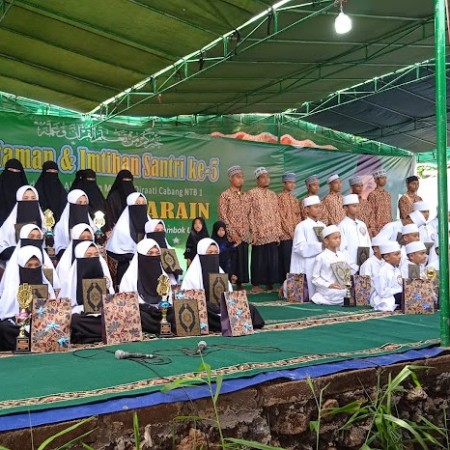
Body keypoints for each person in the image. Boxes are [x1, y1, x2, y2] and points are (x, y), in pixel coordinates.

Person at [181, 238, 264, 331]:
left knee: (249, 307)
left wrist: (224, 304)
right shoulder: (192, 275)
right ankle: (231, 323)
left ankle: (230, 323)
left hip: (222, 309)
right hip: (205, 310)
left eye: (216, 252)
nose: (213, 255)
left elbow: (230, 295)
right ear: (201, 254)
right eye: (210, 253)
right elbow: (186, 300)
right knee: (205, 311)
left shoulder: (220, 271)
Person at [0, 246, 55, 351]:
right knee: (4, 328)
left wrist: (48, 300)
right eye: (29, 265)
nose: (33, 268)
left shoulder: (45, 283)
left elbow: (55, 312)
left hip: (43, 323)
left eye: (36, 265)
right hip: (18, 324)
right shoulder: (13, 286)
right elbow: (6, 313)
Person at [58, 241, 114, 344]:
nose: (93, 258)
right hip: (82, 315)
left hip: (104, 313)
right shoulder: (72, 277)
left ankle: (91, 335)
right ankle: (103, 333)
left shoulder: (102, 269)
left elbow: (111, 294)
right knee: (74, 320)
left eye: (96, 255)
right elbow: (65, 305)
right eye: (88, 255)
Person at [120, 238, 175, 334]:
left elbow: (168, 297)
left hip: (162, 311)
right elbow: (127, 304)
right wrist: (148, 308)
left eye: (157, 253)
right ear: (141, 256)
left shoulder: (164, 275)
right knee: (137, 315)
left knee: (175, 313)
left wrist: (163, 307)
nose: (154, 256)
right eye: (150, 253)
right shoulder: (130, 277)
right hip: (143, 313)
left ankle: (162, 325)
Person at [247, 167, 282, 293]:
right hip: (259, 233)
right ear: (257, 180)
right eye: (263, 177)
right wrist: (253, 232)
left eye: (268, 176)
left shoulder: (273, 195)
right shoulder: (251, 193)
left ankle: (270, 284)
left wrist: (278, 232)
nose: (266, 179)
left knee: (272, 260)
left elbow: (277, 214)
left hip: (272, 233)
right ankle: (256, 285)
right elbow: (249, 214)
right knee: (258, 260)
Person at [105, 192, 150, 284]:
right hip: (127, 270)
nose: (141, 206)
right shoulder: (121, 228)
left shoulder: (151, 225)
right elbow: (113, 251)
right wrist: (130, 256)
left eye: (143, 203)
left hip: (148, 268)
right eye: (138, 203)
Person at [218, 165, 250, 290]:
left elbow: (249, 214)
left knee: (242, 260)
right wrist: (232, 233)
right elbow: (223, 215)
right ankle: (228, 286)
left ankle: (240, 285)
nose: (240, 180)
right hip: (232, 236)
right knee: (231, 260)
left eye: (242, 177)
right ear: (231, 178)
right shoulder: (225, 195)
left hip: (244, 234)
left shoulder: (245, 196)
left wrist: (248, 233)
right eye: (238, 177)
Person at [2, 223, 61, 292]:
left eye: (38, 237)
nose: (35, 240)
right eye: (31, 237)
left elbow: (54, 287)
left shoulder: (47, 264)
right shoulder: (14, 265)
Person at [290, 195, 326, 297]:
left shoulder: (323, 226)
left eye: (320, 206)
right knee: (308, 294)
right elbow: (299, 248)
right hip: (307, 265)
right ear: (307, 209)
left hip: (321, 264)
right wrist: (320, 247)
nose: (319, 209)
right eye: (315, 207)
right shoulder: (302, 226)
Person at [0, 185, 44, 262]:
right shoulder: (8, 226)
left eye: (33, 198)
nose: (30, 201)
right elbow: (2, 249)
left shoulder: (45, 225)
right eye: (25, 198)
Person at [311, 225, 348, 305]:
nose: (338, 240)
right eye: (335, 238)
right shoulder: (321, 257)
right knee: (335, 292)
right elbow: (315, 278)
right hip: (327, 289)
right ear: (326, 241)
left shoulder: (342, 255)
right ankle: (320, 298)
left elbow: (345, 273)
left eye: (339, 237)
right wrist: (329, 285)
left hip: (340, 288)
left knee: (346, 291)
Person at [53, 189, 95, 258]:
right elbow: (59, 248)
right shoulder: (61, 226)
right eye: (79, 203)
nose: (82, 206)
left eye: (85, 203)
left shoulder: (92, 225)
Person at [338, 194, 371, 272]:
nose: (357, 208)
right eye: (354, 206)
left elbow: (368, 244)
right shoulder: (342, 225)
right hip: (350, 267)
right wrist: (354, 266)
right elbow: (342, 249)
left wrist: (368, 263)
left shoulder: (362, 224)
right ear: (346, 208)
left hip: (365, 266)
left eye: (358, 206)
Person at [278, 172, 301, 283]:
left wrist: (297, 231)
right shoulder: (280, 198)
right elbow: (281, 217)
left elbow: (298, 216)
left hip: (295, 235)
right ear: (284, 183)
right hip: (285, 235)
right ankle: (285, 284)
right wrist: (290, 232)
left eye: (294, 183)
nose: (292, 185)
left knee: (294, 260)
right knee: (286, 259)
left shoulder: (294, 199)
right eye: (290, 183)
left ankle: (294, 284)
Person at [145, 219, 182, 284]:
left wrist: (175, 270)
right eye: (156, 230)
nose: (160, 233)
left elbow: (176, 275)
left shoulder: (169, 250)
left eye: (162, 230)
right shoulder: (142, 252)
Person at [371, 241, 402, 312]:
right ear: (386, 257)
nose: (399, 257)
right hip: (385, 298)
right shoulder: (382, 271)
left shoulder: (397, 270)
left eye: (399, 253)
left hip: (396, 295)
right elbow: (382, 292)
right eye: (396, 254)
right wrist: (399, 290)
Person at [0, 159, 28, 226]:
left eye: (17, 171)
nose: (14, 174)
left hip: (20, 228)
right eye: (11, 171)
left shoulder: (27, 193)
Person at [367, 169, 392, 236]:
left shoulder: (387, 194)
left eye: (385, 178)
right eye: (382, 178)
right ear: (376, 180)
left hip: (389, 227)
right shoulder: (372, 194)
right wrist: (373, 229)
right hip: (378, 228)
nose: (384, 180)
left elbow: (389, 211)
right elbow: (371, 213)